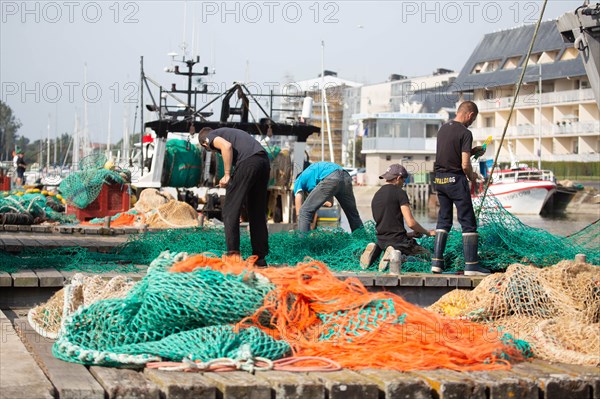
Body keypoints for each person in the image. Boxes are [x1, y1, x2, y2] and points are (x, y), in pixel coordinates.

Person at [431, 101, 489, 276]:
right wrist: (472, 177)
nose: (472, 122)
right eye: (473, 119)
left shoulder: (442, 129)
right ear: (470, 115)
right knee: (467, 221)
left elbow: (451, 152)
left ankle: (436, 262)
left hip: (440, 179)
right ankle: (471, 265)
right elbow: (464, 165)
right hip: (456, 180)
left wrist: (472, 151)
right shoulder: (465, 132)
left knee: (444, 220)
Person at [198, 127, 270, 266]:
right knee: (256, 212)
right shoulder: (228, 132)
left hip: (248, 162)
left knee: (229, 211)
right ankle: (260, 258)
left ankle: (233, 256)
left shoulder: (209, 137)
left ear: (204, 144)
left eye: (210, 149)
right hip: (263, 161)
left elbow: (226, 146)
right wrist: (241, 210)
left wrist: (226, 174)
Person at [360, 164, 435, 271]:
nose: (404, 183)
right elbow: (411, 223)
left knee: (388, 248)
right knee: (430, 259)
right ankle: (400, 257)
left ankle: (375, 253)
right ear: (398, 178)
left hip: (382, 241)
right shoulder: (399, 193)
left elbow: (387, 227)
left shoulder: (377, 195)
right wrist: (428, 232)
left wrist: (411, 234)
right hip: (399, 243)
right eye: (404, 180)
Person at [294, 161, 363, 232]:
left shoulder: (299, 179)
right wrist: (315, 203)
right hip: (345, 176)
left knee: (303, 211)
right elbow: (330, 203)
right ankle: (361, 238)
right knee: (353, 214)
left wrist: (299, 217)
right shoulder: (314, 178)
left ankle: (302, 241)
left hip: (330, 177)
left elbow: (299, 206)